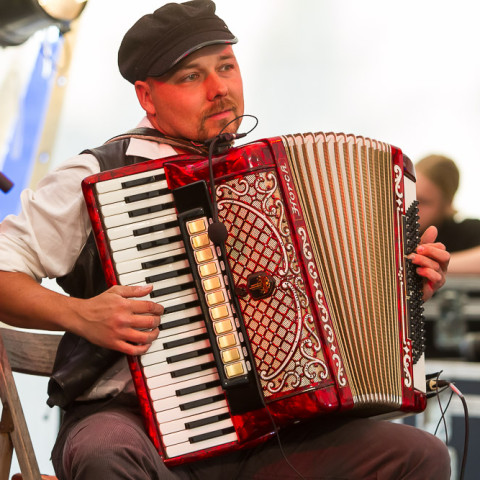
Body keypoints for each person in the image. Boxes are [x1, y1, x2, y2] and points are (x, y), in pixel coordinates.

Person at [0, 2, 451, 479]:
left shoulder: (277, 176)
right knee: (105, 451)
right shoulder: (97, 173)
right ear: (147, 97)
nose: (219, 90)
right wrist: (80, 315)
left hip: (266, 434)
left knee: (420, 455)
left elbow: (319, 321)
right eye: (192, 76)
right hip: (131, 424)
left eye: (226, 67)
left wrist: (400, 297)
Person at [416, 154, 480, 274]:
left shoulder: (465, 231)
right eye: (408, 195)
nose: (413, 207)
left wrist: (435, 265)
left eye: (423, 202)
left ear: (447, 203)